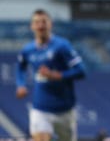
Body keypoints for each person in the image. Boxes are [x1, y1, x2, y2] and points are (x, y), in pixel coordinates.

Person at [15, 9, 86, 141]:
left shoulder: (62, 46)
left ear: (50, 24)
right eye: (37, 22)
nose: (40, 26)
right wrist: (20, 84)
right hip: (40, 108)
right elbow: (20, 67)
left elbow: (81, 71)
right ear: (32, 26)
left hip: (65, 109)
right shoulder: (28, 50)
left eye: (44, 22)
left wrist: (58, 75)